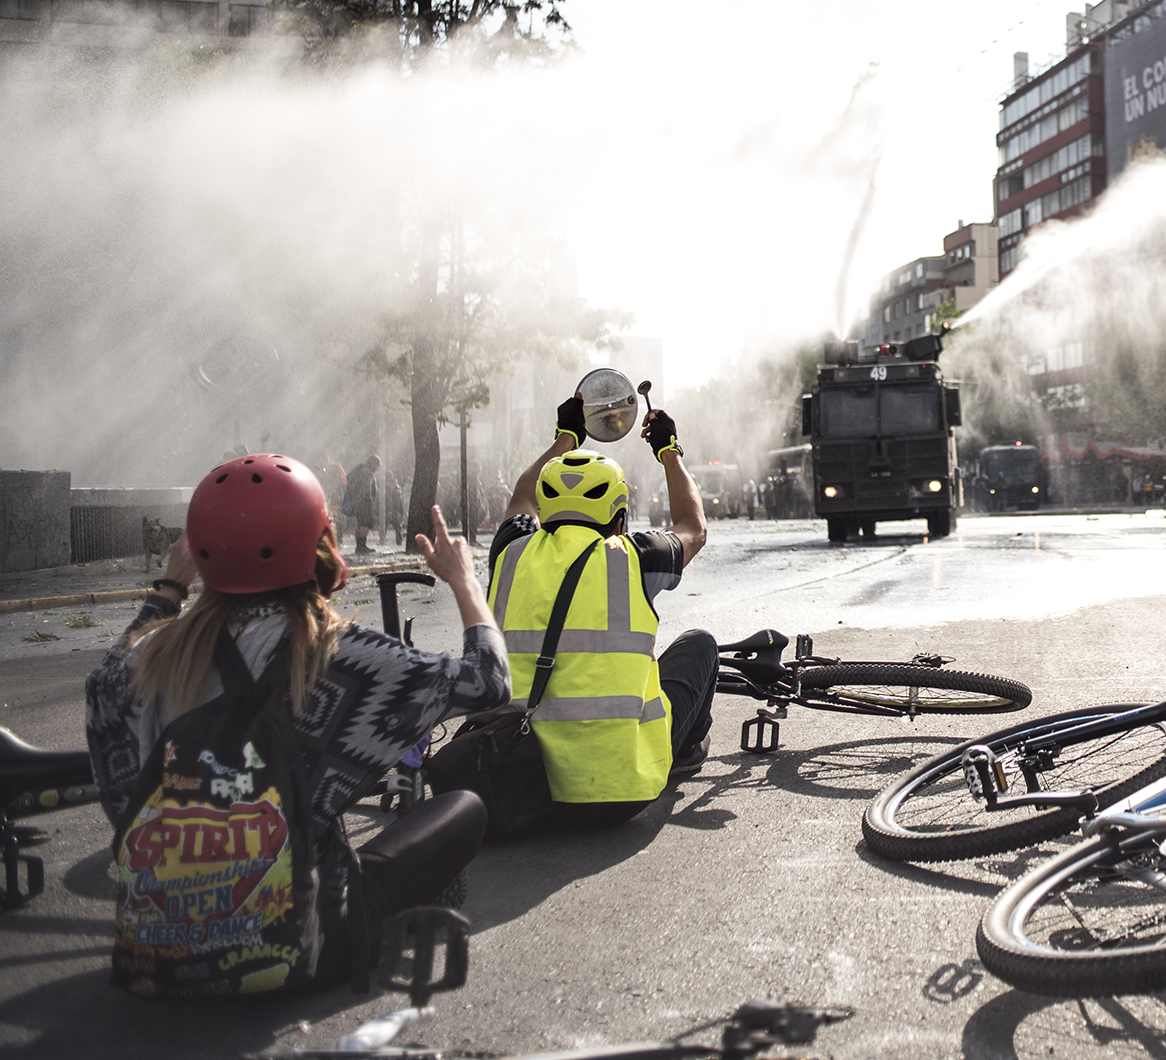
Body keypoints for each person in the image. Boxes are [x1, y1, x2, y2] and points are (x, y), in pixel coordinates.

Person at [84, 456, 510, 990]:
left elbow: (104, 692)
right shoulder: (339, 654)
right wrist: (465, 581)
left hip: (154, 952)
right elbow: (488, 681)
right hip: (304, 950)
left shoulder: (147, 661)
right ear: (319, 545)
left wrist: (169, 589)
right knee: (462, 806)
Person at [487, 395, 715, 827]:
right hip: (618, 794)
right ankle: (683, 754)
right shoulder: (634, 555)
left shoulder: (510, 552)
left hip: (517, 776)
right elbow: (693, 529)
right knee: (700, 644)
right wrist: (669, 452)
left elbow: (521, 496)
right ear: (619, 516)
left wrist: (565, 440)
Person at [346, 453, 380, 555]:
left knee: (361, 523)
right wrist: (369, 500)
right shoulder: (367, 473)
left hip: (358, 502)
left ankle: (360, 546)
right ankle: (361, 546)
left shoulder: (361, 470)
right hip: (364, 502)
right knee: (365, 524)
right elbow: (367, 489)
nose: (377, 468)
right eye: (377, 465)